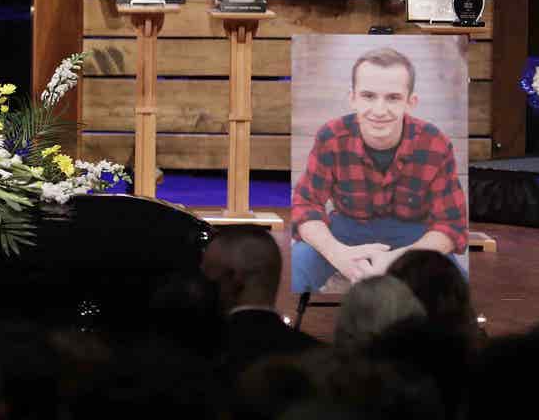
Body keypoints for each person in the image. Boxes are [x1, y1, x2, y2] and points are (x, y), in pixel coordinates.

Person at [290, 47, 467, 292]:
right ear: (352, 98)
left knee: (458, 285)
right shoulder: (331, 137)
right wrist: (337, 254)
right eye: (368, 96)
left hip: (414, 236)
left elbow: (452, 223)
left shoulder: (435, 143)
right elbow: (305, 205)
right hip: (347, 228)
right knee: (297, 264)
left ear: (410, 102)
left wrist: (401, 260)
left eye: (393, 98)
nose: (380, 110)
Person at [200, 227, 319, 375]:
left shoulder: (199, 358)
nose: (201, 283)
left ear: (234, 278)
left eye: (207, 273)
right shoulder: (322, 360)